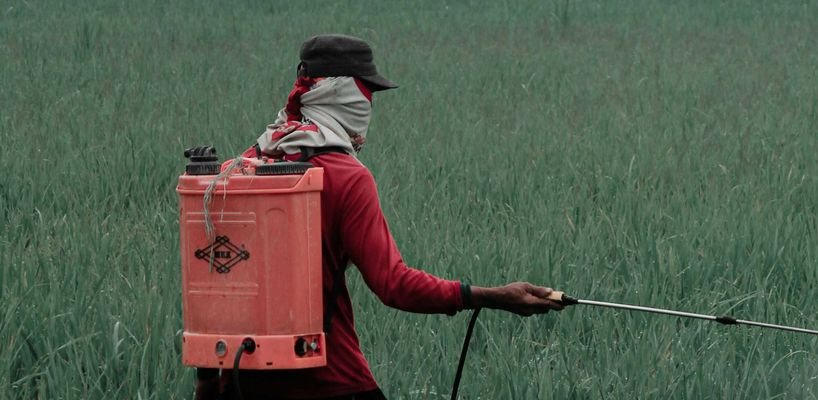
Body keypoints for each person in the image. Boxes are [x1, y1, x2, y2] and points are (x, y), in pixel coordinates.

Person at [194, 34, 563, 400]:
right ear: (344, 94)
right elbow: (394, 284)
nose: (370, 104)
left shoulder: (237, 168)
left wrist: (207, 384)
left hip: (239, 382)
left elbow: (213, 285)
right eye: (366, 92)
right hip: (330, 381)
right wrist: (493, 296)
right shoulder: (347, 177)